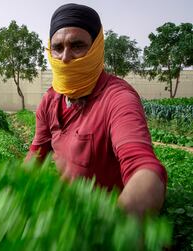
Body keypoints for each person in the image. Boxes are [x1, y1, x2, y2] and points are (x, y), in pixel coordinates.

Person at [26, 3, 167, 217]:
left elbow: (142, 167)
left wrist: (116, 226)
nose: (65, 57)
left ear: (96, 47)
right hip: (70, 216)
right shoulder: (50, 100)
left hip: (105, 217)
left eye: (77, 45)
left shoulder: (117, 98)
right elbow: (36, 153)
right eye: (58, 47)